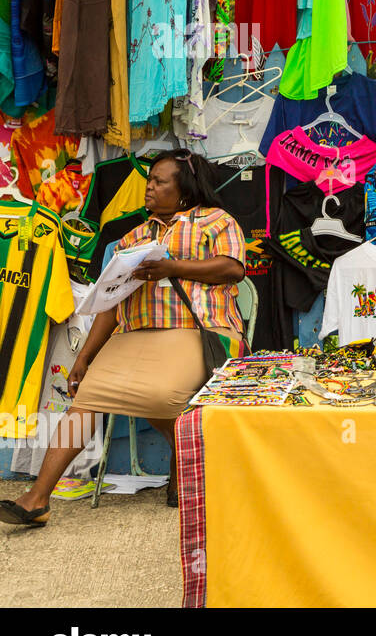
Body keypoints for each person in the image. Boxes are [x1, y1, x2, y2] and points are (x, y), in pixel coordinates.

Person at [0, 151, 247, 527]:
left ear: (184, 189)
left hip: (195, 330)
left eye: (159, 181)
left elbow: (233, 268)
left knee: (162, 394)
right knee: (84, 401)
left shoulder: (216, 221)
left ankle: (183, 459)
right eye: (149, 180)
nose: (149, 187)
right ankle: (37, 499)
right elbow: (111, 304)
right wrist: (83, 358)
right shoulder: (135, 236)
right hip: (133, 335)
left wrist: (172, 267)